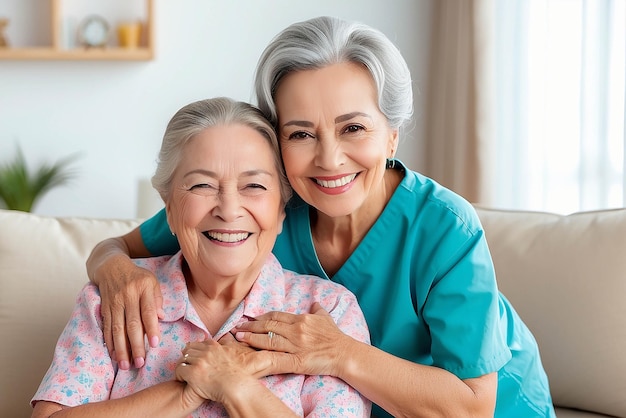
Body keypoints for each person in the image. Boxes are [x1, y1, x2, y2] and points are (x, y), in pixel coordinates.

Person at [86, 16, 556, 418]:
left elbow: (473, 405)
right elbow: (118, 247)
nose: (329, 159)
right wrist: (114, 272)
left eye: (353, 128)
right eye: (301, 134)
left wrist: (337, 354)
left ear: (391, 135)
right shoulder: (258, 209)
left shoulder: (445, 226)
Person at [31, 97, 371, 418]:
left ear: (281, 210)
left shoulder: (329, 311)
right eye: (201, 186)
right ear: (169, 207)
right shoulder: (111, 299)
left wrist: (235, 386)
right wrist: (184, 393)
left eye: (254, 186)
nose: (228, 209)